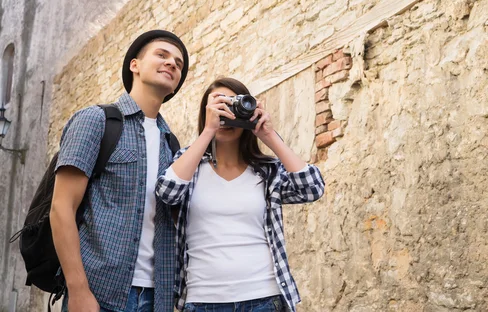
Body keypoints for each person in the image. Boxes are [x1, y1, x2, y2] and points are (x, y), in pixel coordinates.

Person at [156, 77, 325, 312]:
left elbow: (313, 188)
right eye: (219, 105)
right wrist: (208, 131)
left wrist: (269, 136)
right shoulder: (189, 164)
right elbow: (167, 192)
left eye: (233, 105)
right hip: (204, 300)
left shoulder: (266, 171)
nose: (227, 114)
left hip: (265, 298)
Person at [50, 30, 189, 312]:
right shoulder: (96, 120)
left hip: (156, 298)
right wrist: (78, 290)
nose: (172, 63)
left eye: (178, 63)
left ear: (175, 86)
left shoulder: (171, 144)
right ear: (134, 65)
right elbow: (61, 207)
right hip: (99, 293)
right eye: (161, 55)